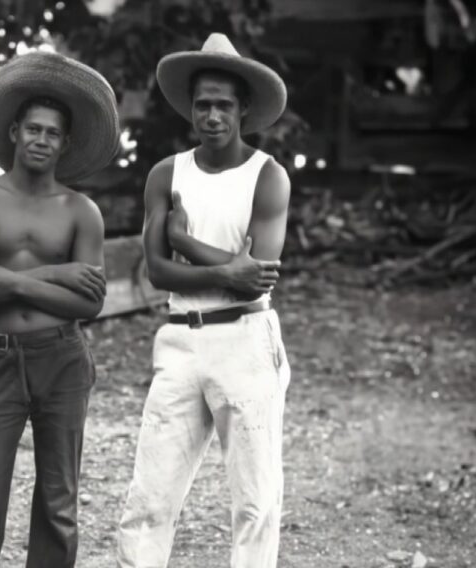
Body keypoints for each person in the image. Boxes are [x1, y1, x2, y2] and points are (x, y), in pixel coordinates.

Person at [116, 33, 292, 567]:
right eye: (202, 105)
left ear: (243, 109)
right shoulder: (167, 174)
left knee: (255, 501)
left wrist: (186, 242)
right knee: (150, 496)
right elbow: (156, 272)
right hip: (181, 339)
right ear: (190, 108)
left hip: (246, 340)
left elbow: (255, 279)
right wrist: (221, 268)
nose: (212, 116)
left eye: (223, 105)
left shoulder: (268, 176)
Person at [0, 50, 120, 568]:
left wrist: (14, 281)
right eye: (34, 129)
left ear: (65, 144)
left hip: (62, 362)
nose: (42, 140)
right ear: (15, 132)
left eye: (53, 133)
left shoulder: (81, 211)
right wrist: (55, 275)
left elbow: (90, 301)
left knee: (58, 506)